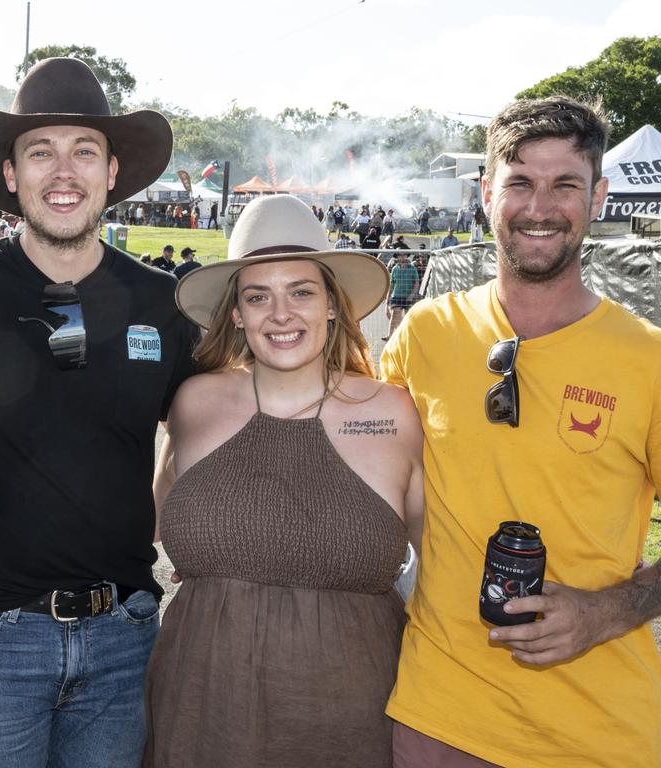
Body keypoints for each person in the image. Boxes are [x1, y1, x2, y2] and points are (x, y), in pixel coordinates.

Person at [0, 57, 199, 767]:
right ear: (10, 174)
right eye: (41, 152)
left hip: (124, 633)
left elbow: (221, 421)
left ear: (113, 171)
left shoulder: (163, 302)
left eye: (84, 150)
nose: (64, 171)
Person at [382, 95, 661, 767]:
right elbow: (351, 448)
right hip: (437, 716)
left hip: (598, 733)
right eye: (520, 183)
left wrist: (611, 610)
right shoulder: (427, 331)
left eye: (565, 184)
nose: (541, 207)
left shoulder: (647, 359)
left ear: (596, 195)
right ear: (486, 194)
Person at [144, 194, 423, 767]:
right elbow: (145, 525)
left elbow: (444, 569)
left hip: (352, 715)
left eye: (301, 291)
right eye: (257, 296)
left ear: (332, 307)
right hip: (200, 709)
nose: (281, 313)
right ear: (237, 314)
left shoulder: (394, 413)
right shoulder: (195, 404)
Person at [382, 251, 419, 341]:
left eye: (404, 255)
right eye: (400, 255)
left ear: (407, 256)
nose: (402, 257)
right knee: (394, 314)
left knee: (407, 316)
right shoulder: (395, 268)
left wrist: (412, 294)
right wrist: (388, 297)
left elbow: (416, 283)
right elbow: (391, 284)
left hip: (408, 295)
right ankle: (390, 335)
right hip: (397, 295)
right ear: (397, 257)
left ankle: (406, 334)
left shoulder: (412, 268)